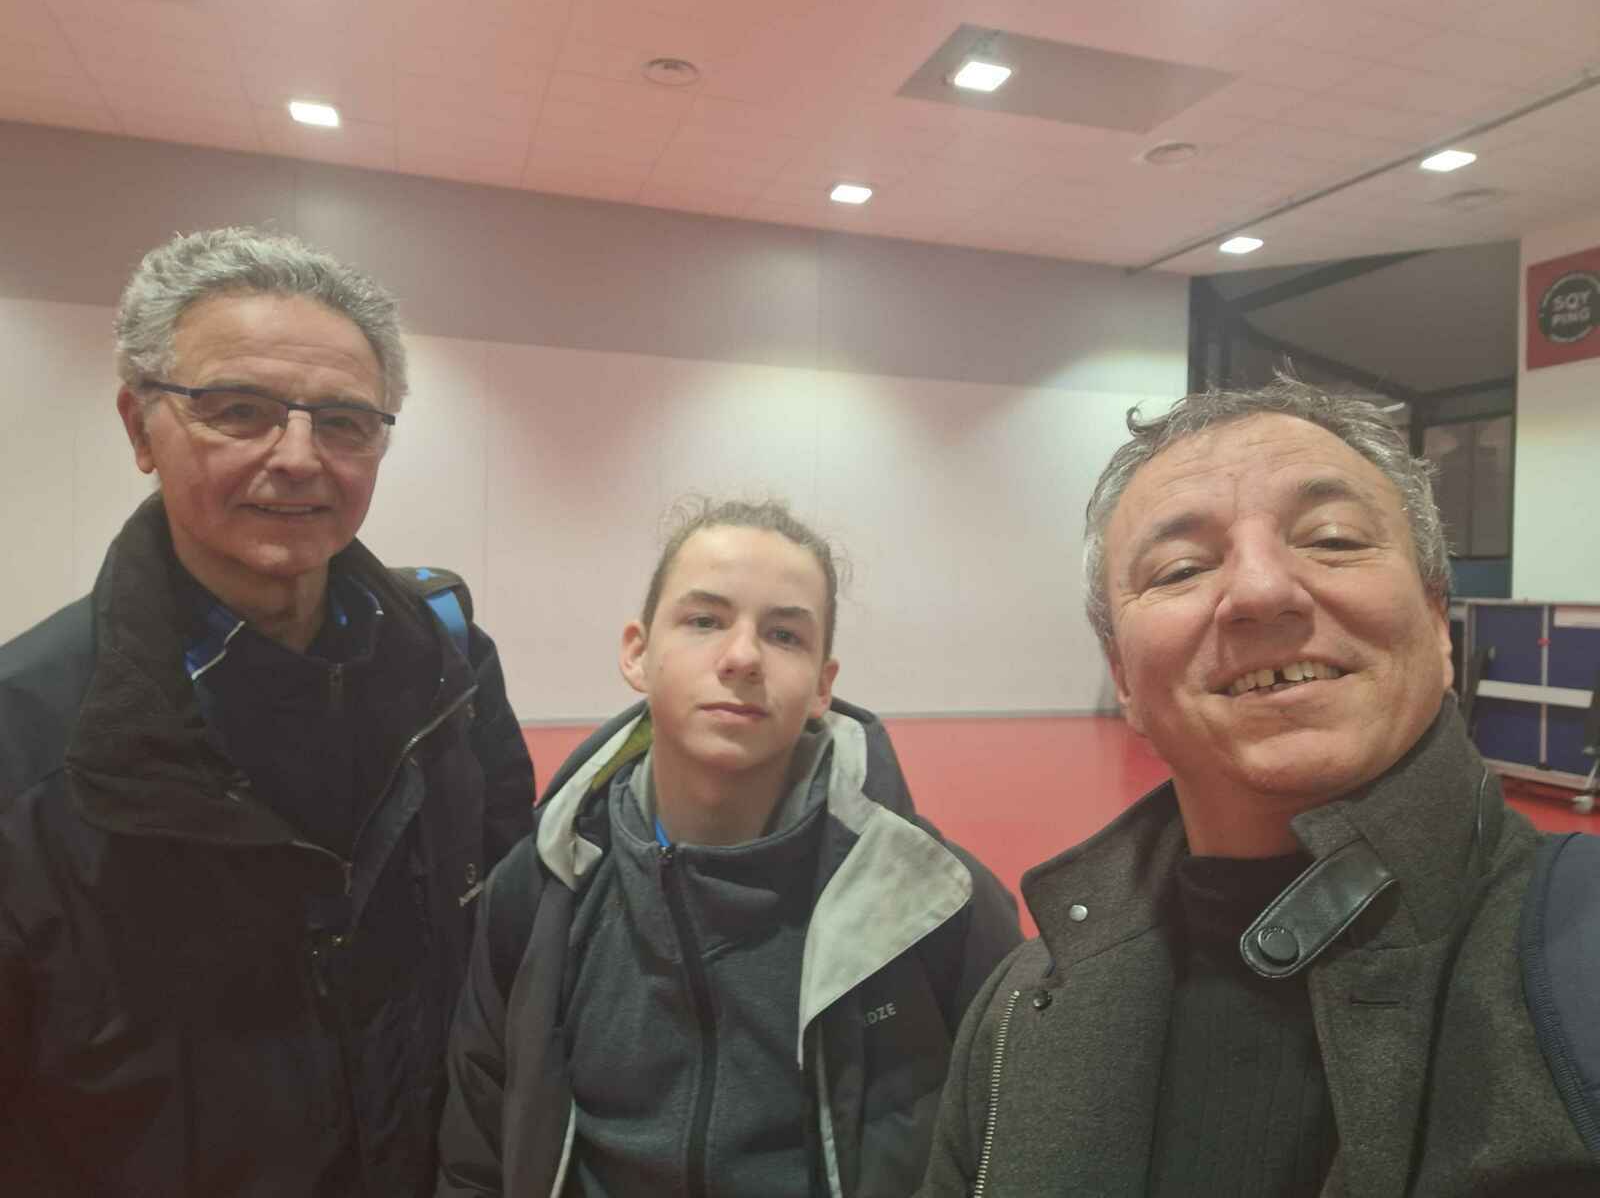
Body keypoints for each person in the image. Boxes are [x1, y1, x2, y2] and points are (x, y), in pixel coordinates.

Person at [920, 378, 1600, 1196]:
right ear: (1123, 678)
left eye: (1334, 539)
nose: (1261, 590)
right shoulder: (1014, 1022)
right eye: (1180, 569)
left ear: (1436, 622)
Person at [0, 227, 535, 1196]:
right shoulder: (24, 743)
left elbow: (506, 955)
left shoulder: (452, 671)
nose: (297, 457)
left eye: (343, 422)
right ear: (139, 428)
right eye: (238, 411)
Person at [436, 498, 1020, 1196]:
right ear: (638, 653)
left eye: (784, 635)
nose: (742, 657)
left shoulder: (934, 905)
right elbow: (474, 1154)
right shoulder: (539, 891)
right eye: (705, 621)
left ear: (823, 687)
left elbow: (1011, 1140)